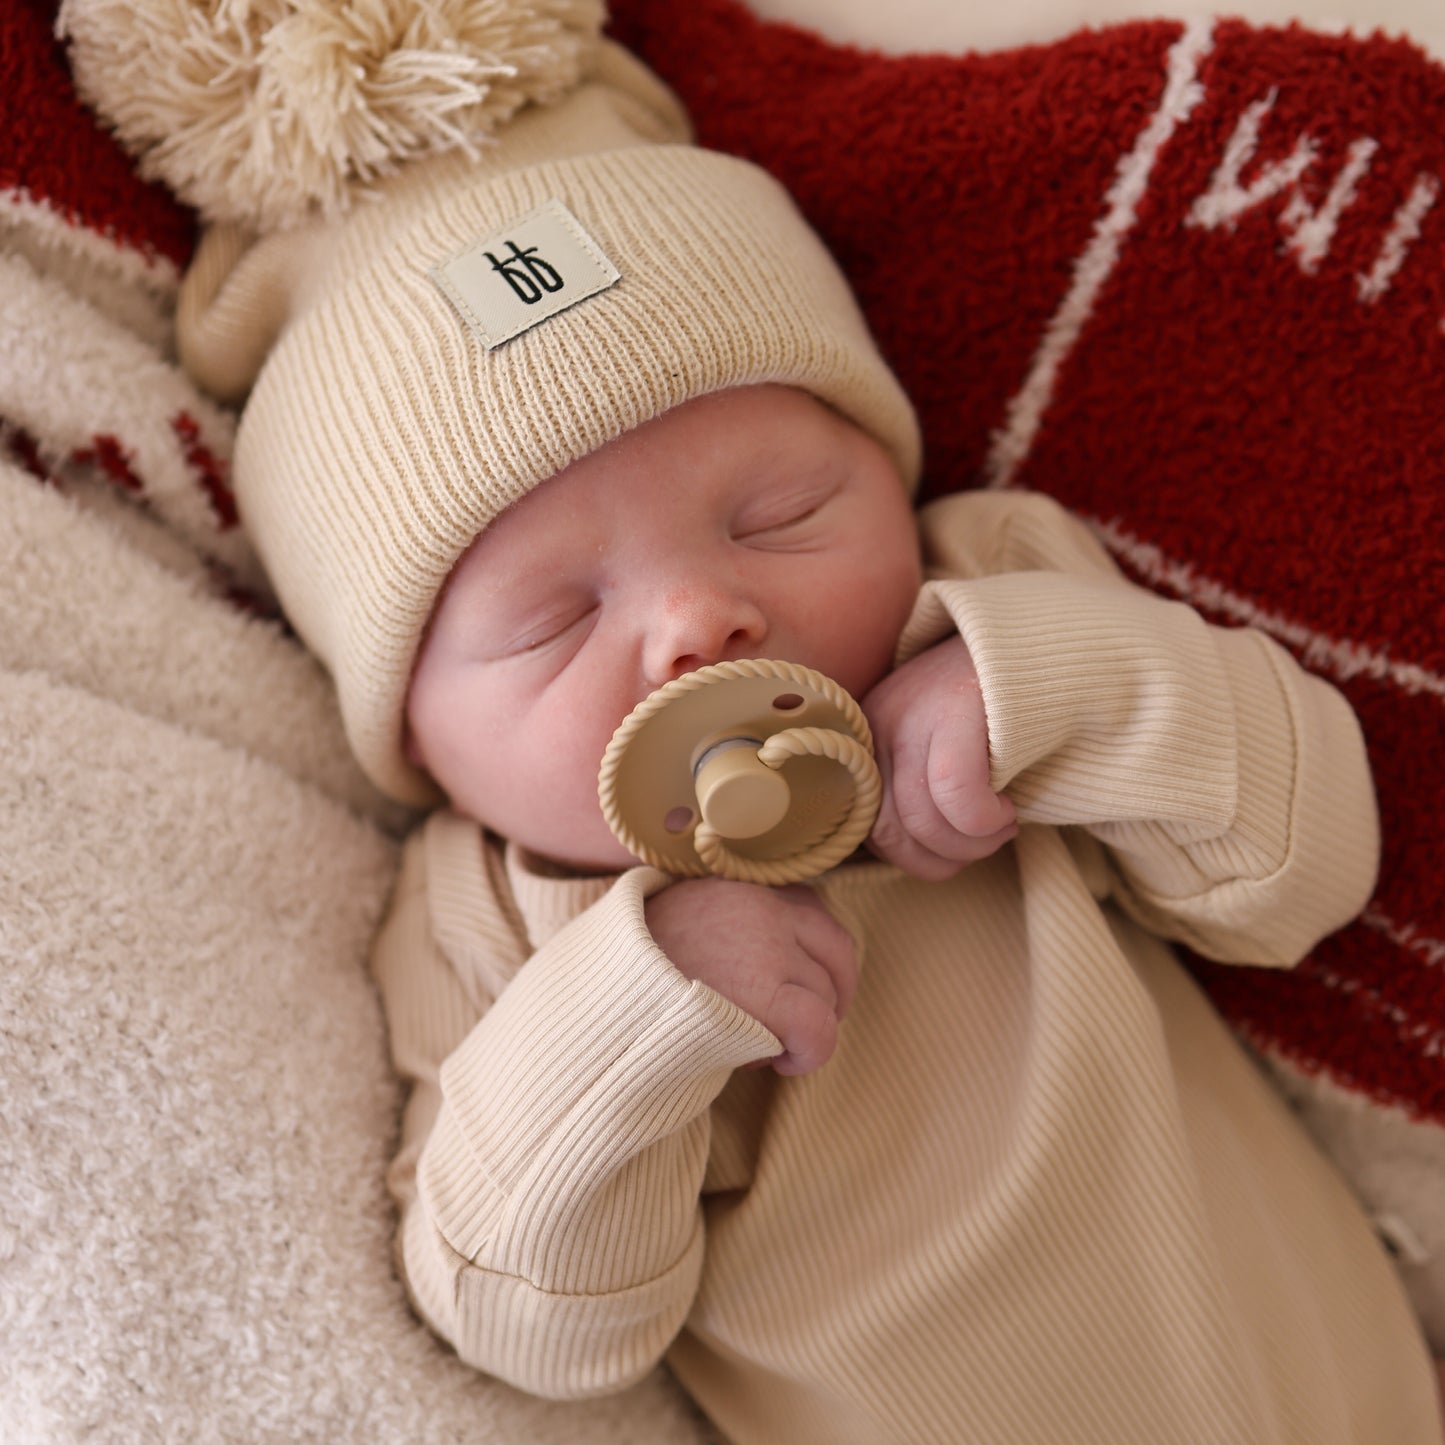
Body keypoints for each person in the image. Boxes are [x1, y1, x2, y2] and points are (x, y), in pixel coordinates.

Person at [176, 34, 1444, 1445]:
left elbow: (1307, 864)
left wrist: (1048, 698)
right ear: (413, 734)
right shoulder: (492, 921)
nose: (696, 621)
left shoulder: (992, 602)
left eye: (777, 512)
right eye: (549, 617)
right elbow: (536, 1329)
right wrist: (641, 1011)